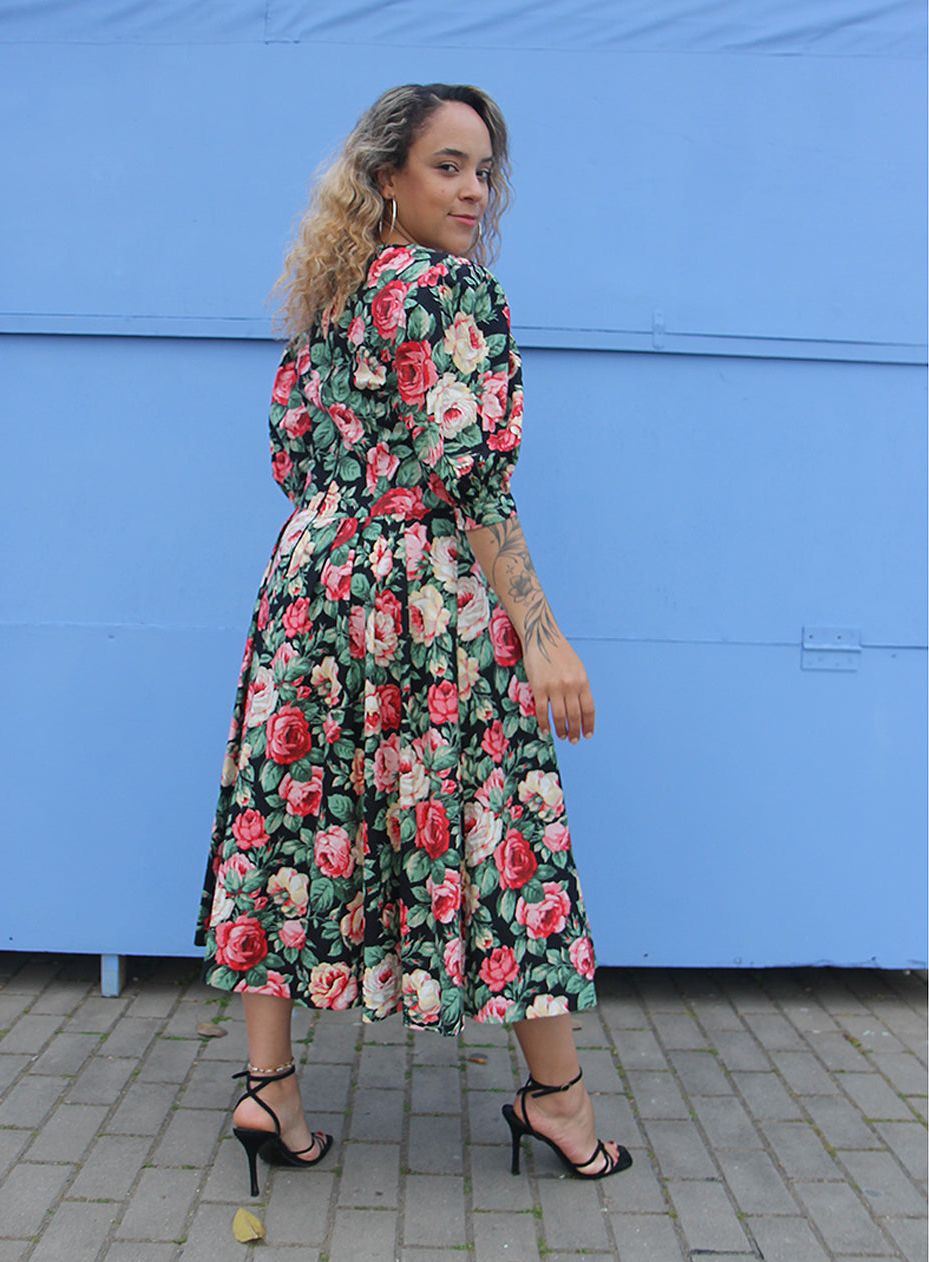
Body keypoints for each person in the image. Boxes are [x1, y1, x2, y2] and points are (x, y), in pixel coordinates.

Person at [194, 83, 631, 1196]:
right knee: (501, 828)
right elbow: (474, 480)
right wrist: (542, 635)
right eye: (448, 165)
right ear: (386, 177)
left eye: (484, 170)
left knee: (289, 824)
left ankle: (269, 1088)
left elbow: (291, 454)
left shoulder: (333, 296)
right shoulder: (447, 291)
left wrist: (346, 528)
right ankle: (559, 1101)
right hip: (424, 602)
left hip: (310, 587)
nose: (474, 190)